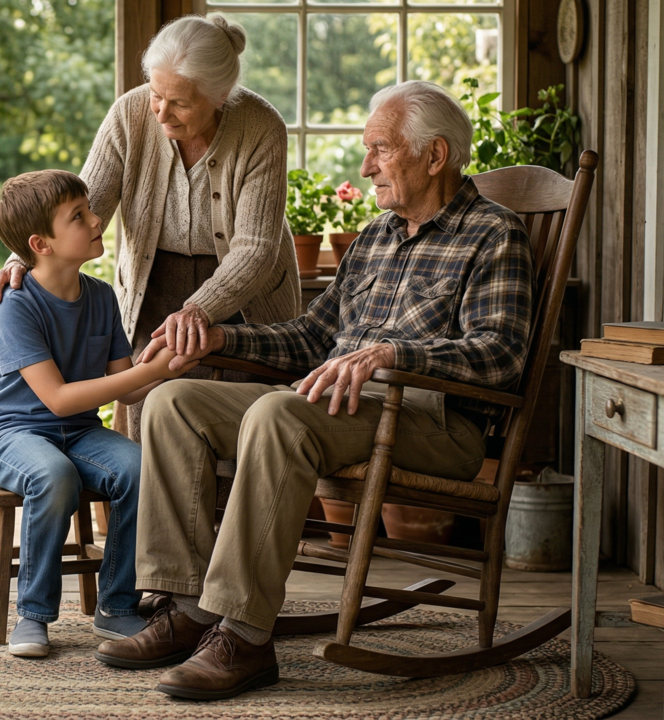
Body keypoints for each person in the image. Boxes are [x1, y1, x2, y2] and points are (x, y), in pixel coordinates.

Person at [95, 81, 534, 701]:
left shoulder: (494, 233)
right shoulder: (376, 236)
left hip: (434, 421)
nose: (366, 167)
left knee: (281, 413)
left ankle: (243, 634)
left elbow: (501, 354)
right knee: (173, 401)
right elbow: (311, 338)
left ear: (435, 155)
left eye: (381, 149)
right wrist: (220, 338)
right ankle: (187, 608)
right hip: (342, 407)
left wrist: (389, 353)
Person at [0, 14, 300, 442]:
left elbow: (255, 247)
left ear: (220, 96)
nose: (162, 112)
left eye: (180, 103)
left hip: (246, 293)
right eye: (156, 94)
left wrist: (199, 309)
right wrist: (20, 260)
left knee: (247, 433)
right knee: (152, 432)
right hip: (154, 285)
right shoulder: (129, 114)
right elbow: (81, 205)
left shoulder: (261, 126)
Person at [0, 169, 198, 659]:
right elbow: (57, 398)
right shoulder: (15, 306)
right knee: (54, 476)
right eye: (78, 216)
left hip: (79, 432)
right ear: (41, 244)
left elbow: (127, 387)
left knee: (138, 468)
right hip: (10, 434)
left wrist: (168, 365)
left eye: (90, 209)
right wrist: (146, 373)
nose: (97, 220)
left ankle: (116, 606)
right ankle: (33, 615)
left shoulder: (101, 296)